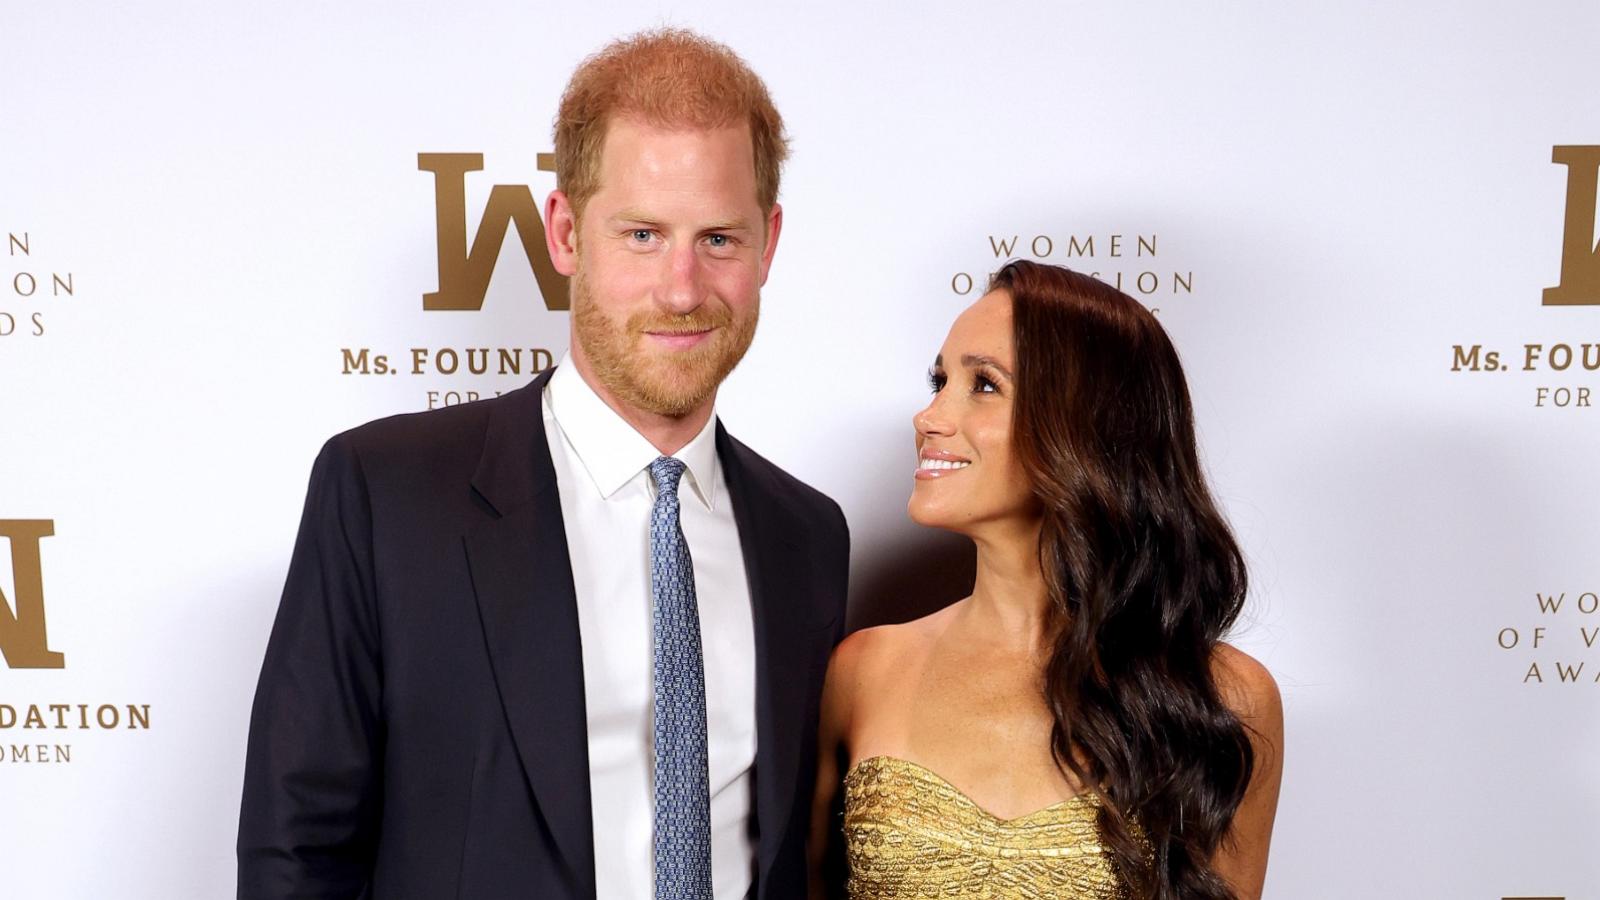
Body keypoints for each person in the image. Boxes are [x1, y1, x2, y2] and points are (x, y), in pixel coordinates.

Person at [238, 29, 849, 900]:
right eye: (641, 234)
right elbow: (295, 854)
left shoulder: (808, 535)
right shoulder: (386, 495)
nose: (681, 288)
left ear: (769, 244)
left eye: (719, 239)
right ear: (564, 232)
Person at [808, 260, 1283, 900]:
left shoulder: (1224, 699)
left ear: (1086, 425)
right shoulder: (864, 670)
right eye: (939, 380)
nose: (928, 416)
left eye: (983, 385)